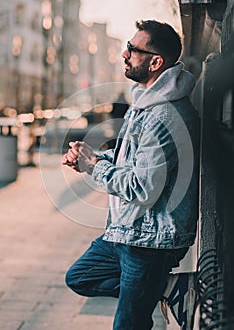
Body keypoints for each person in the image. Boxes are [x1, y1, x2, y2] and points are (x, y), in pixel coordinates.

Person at [62, 20, 200, 330]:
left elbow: (141, 187)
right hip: (128, 230)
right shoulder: (145, 102)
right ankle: (168, 288)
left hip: (149, 241)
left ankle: (154, 286)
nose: (125, 54)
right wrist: (93, 157)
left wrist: (95, 168)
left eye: (133, 49)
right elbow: (132, 158)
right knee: (81, 276)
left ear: (155, 61)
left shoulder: (165, 115)